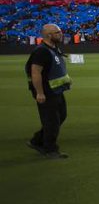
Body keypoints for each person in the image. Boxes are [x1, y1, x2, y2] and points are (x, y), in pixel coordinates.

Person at [26, 24, 71, 159]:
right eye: (57, 32)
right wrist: (39, 92)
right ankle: (50, 149)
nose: (61, 34)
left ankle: (37, 140)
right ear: (49, 35)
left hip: (56, 90)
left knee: (61, 115)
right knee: (51, 121)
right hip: (47, 92)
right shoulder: (41, 51)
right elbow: (35, 72)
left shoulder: (53, 48)